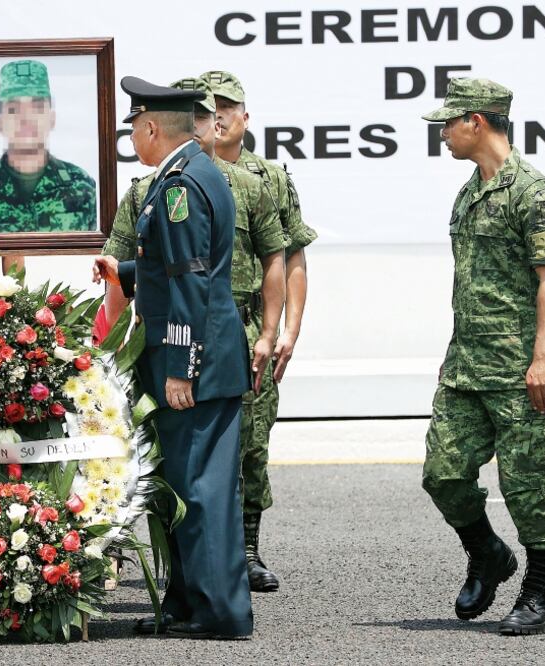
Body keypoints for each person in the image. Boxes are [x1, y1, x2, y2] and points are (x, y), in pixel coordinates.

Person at [101, 76, 288, 594]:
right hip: (203, 346)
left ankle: (218, 612)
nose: (133, 138)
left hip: (195, 357)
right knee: (189, 484)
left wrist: (181, 368)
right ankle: (190, 604)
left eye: (135, 128)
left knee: (200, 487)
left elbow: (192, 281)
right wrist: (125, 274)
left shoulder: (181, 185)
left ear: (153, 127)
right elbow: (173, 270)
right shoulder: (190, 174)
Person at [420, 78, 545, 636]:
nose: (443, 135)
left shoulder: (534, 193)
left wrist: (544, 357)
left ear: (476, 122)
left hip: (519, 369)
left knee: (529, 484)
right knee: (443, 474)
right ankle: (487, 553)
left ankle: (542, 597)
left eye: (448, 124)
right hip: (465, 367)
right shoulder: (469, 191)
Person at [202, 70, 318, 590]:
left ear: (246, 117)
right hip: (193, 327)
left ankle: (247, 550)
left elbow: (291, 258)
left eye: (228, 106)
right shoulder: (181, 173)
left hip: (251, 327)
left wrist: (289, 328)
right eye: (209, 107)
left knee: (252, 444)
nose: (219, 116)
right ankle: (203, 551)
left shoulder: (269, 179)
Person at [0, 59, 96, 233]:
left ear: (52, 119)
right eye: (14, 109)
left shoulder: (81, 186)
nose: (26, 118)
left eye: (37, 107)